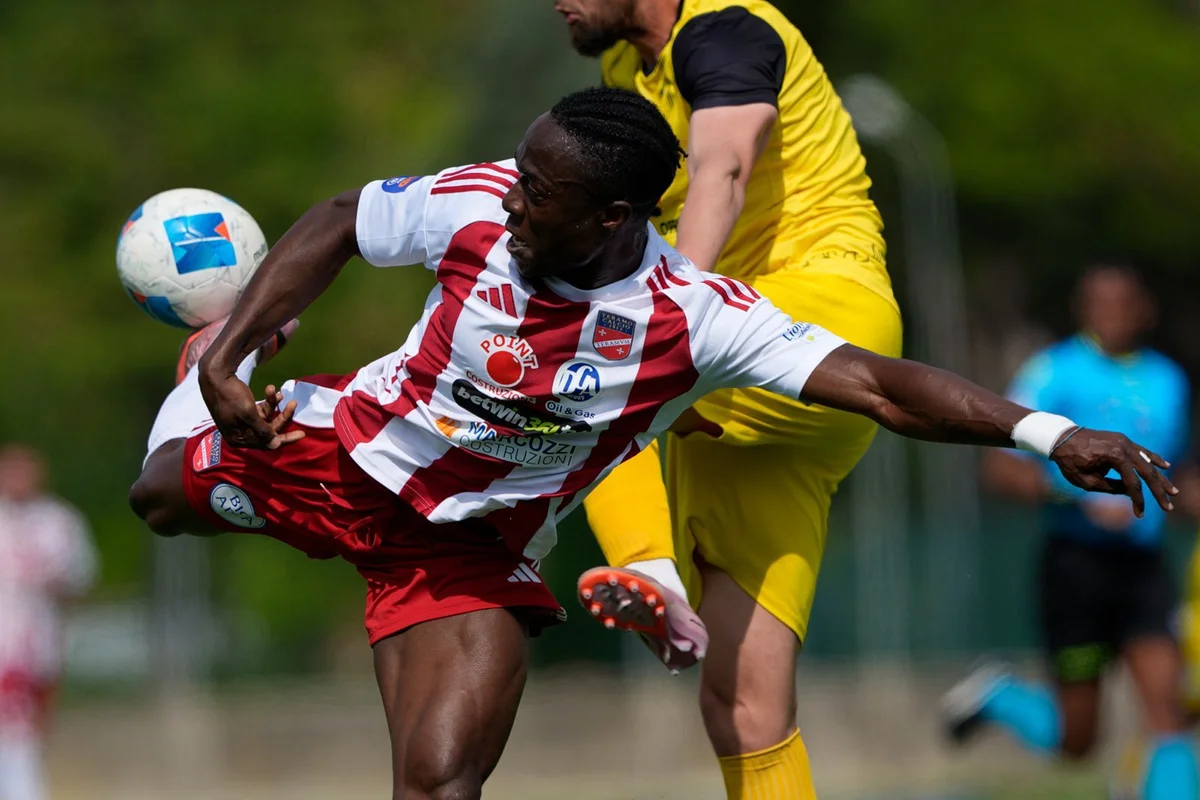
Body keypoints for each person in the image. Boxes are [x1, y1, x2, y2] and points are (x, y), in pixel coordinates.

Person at [128, 88, 1176, 800]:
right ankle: (221, 352)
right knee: (158, 497)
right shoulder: (477, 206)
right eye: (523, 175)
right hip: (336, 451)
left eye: (542, 193)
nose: (515, 199)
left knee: (441, 781)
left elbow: (877, 383)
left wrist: (1050, 431)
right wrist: (222, 368)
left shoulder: (692, 315)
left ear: (616, 216)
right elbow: (341, 219)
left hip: (467, 550)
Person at [555, 0, 902, 794]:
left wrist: (670, 312)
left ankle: (651, 569)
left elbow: (723, 167)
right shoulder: (621, 71)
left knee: (594, 379)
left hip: (820, 310)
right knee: (743, 706)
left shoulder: (725, 31)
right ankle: (658, 577)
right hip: (732, 393)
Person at [941, 266, 1198, 800]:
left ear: (1143, 309)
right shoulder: (1052, 372)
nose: (1109, 315)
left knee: (1167, 714)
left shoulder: (1169, 380)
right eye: (1096, 305)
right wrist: (1078, 497)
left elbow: (1175, 477)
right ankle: (1002, 695)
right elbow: (1000, 470)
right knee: (1078, 740)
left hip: (1143, 571)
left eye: (1120, 304)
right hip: (1074, 573)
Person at [0, 445, 97, 800]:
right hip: (4, 646)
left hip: (40, 643)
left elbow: (80, 580)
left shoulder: (59, 522)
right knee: (13, 732)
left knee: (28, 732)